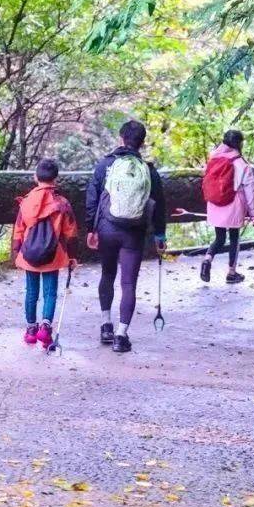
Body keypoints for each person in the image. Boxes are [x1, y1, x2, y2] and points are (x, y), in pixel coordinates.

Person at [85, 120, 167, 354]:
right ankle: (122, 335)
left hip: (107, 228)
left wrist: (91, 229)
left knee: (107, 274)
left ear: (121, 138)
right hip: (133, 233)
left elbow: (92, 198)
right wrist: (160, 234)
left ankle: (105, 325)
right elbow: (159, 204)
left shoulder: (105, 165)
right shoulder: (148, 170)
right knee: (128, 283)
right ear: (142, 143)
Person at [11, 156, 80, 349]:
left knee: (31, 291)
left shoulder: (26, 202)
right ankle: (45, 329)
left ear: (36, 177)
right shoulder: (62, 203)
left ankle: (31, 330)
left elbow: (18, 229)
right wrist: (72, 256)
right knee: (50, 293)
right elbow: (71, 232)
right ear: (56, 179)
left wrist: (17, 252)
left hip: (29, 254)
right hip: (54, 254)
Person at [200, 128, 254, 285]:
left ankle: (207, 259)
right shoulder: (241, 164)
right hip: (234, 205)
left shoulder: (213, 159)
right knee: (234, 238)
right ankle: (231, 273)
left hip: (214, 204)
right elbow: (250, 191)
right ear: (239, 144)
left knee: (219, 238)